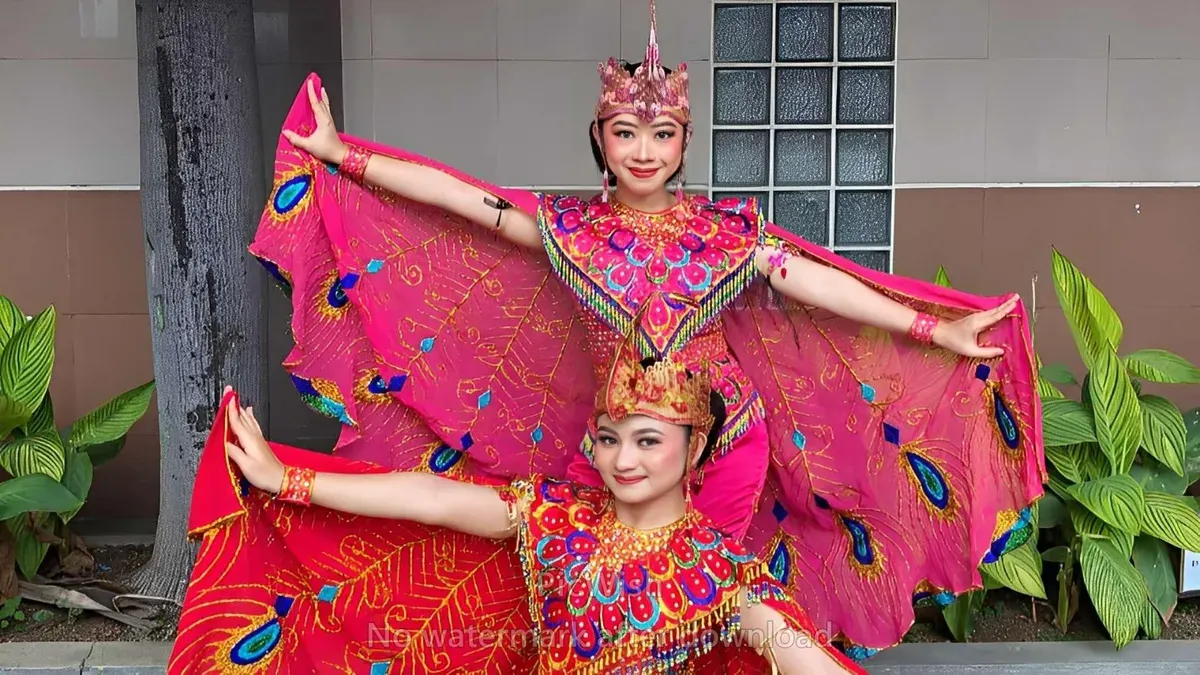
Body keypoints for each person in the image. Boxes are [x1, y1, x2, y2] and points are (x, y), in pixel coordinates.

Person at [242, 0, 1044, 658]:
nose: (645, 150)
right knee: (582, 587)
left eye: (663, 135)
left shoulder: (727, 233)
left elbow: (816, 283)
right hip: (619, 437)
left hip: (722, 446)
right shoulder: (571, 230)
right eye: (626, 132)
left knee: (703, 611)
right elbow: (465, 200)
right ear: (601, 139)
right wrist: (343, 157)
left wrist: (932, 331)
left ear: (685, 142)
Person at [174, 333, 866, 673]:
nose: (623, 459)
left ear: (693, 452)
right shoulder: (558, 518)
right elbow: (434, 498)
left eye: (648, 439)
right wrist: (288, 481)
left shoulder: (719, 574)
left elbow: (799, 653)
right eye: (609, 438)